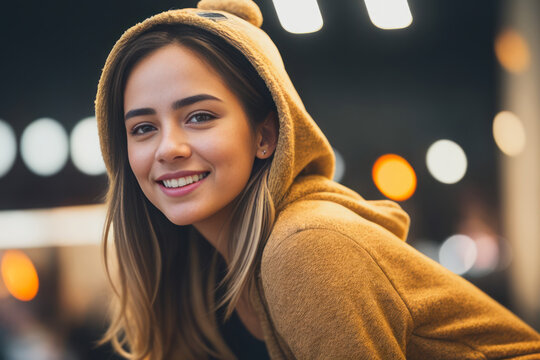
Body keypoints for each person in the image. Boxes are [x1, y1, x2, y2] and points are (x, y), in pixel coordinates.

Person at [94, 0, 540, 359]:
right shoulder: (199, 268)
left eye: (200, 116)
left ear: (266, 135)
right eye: (143, 128)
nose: (168, 147)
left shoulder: (306, 247)